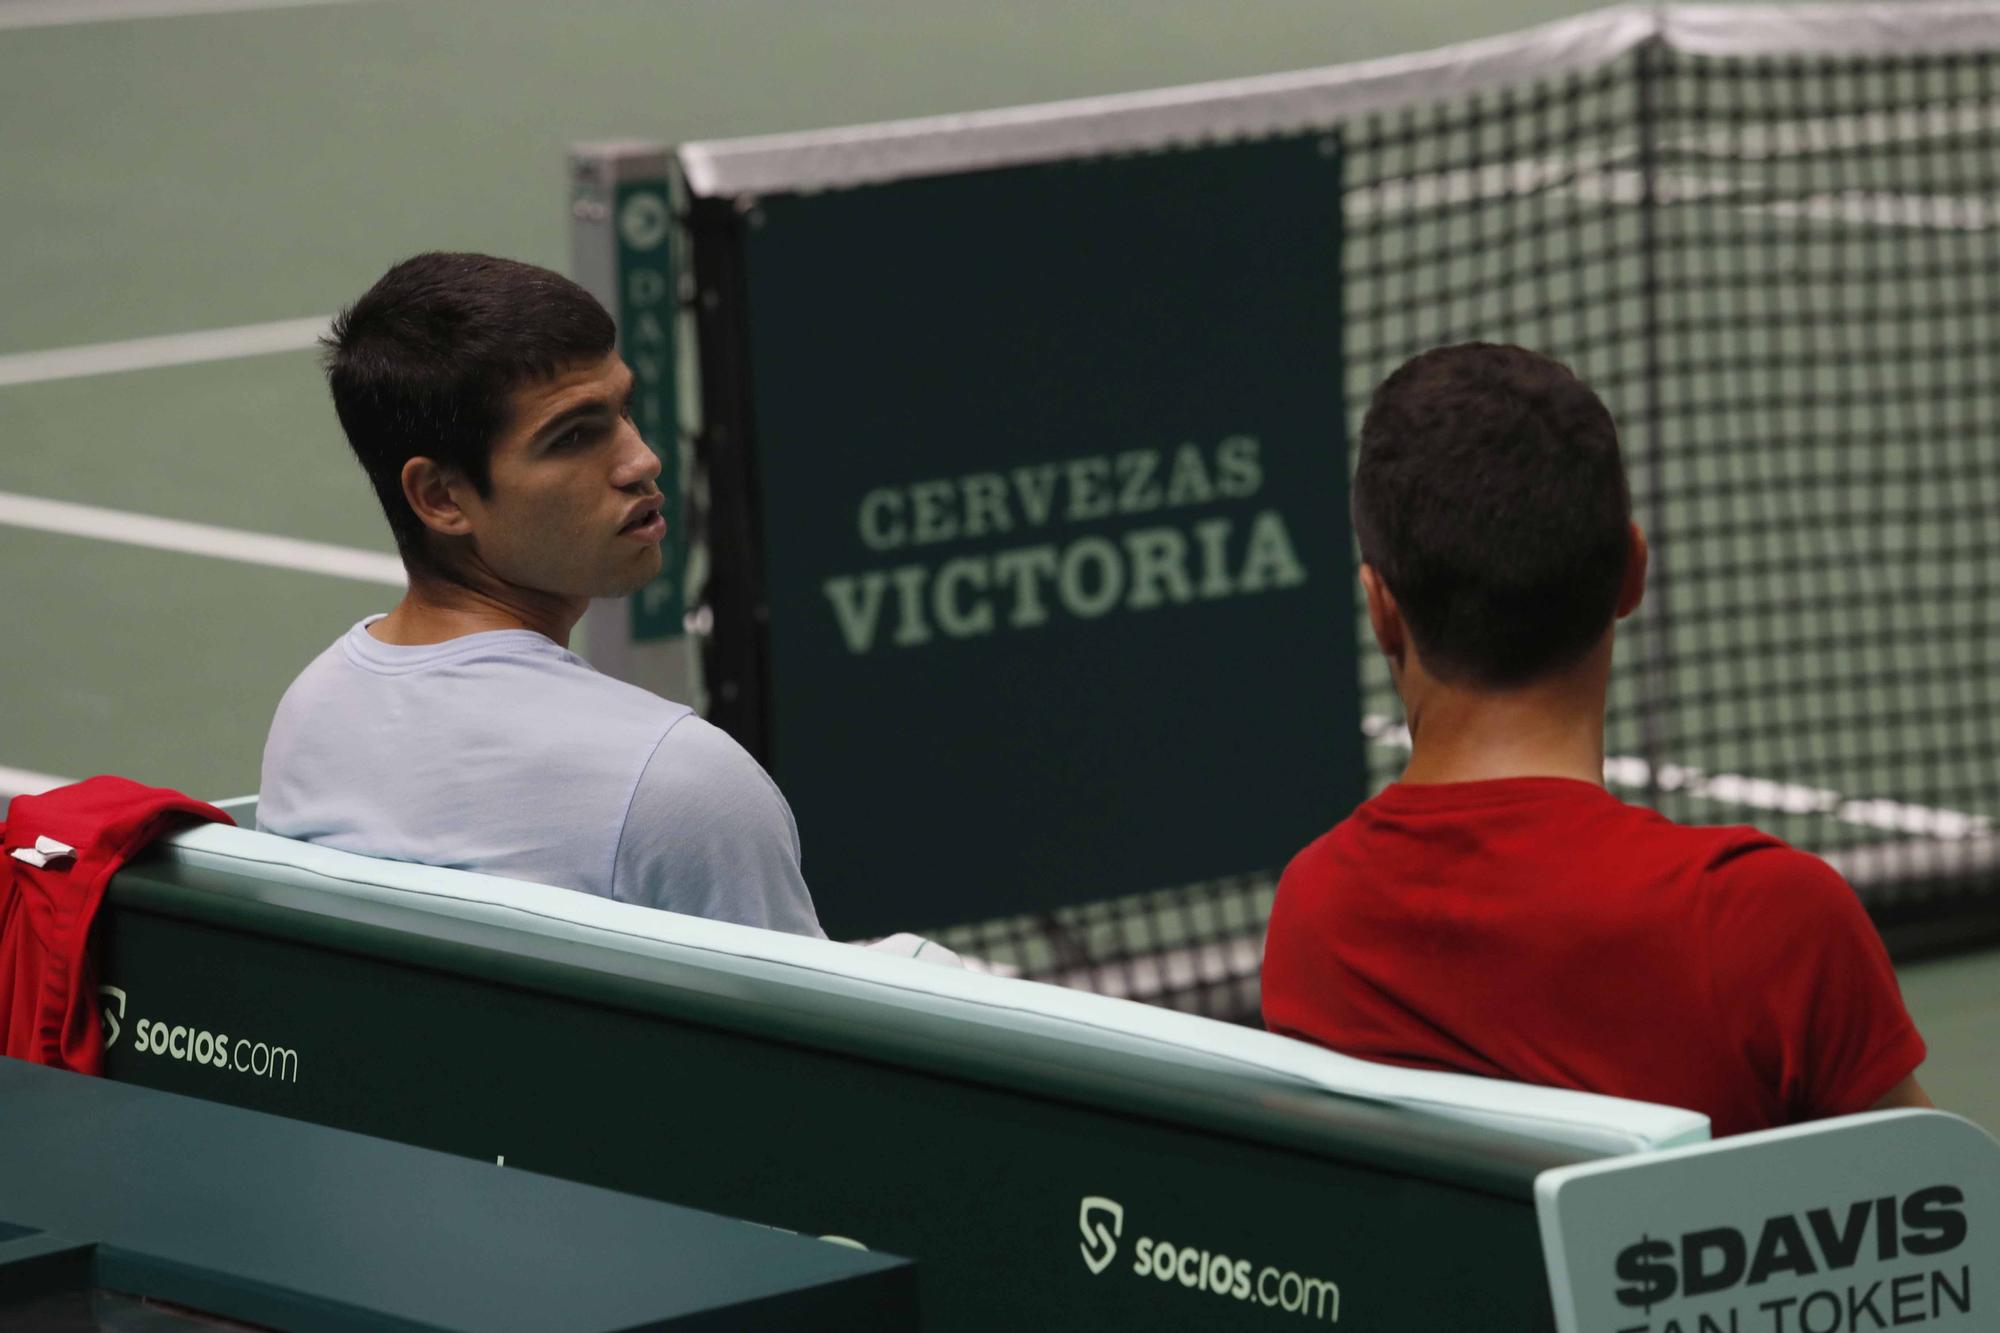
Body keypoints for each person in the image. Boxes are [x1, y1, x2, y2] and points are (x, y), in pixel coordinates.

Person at [1260, 343, 1928, 1137]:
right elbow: (1942, 1232)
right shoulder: (1769, 923)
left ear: (1381, 610)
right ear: (1631, 574)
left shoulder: (1315, 916)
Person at [258, 252, 822, 937]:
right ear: (441, 497)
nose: (641, 459)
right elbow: (801, 1040)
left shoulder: (312, 714)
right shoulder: (676, 782)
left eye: (624, 410)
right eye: (574, 436)